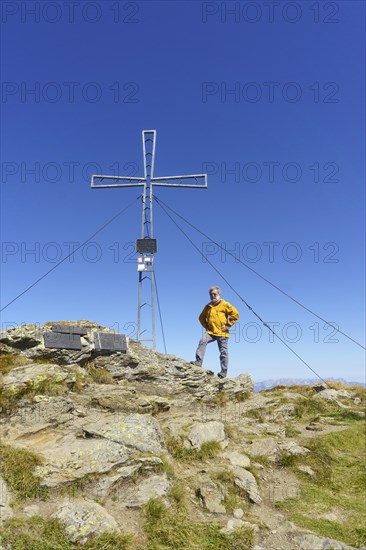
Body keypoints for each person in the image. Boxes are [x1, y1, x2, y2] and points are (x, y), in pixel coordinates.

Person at [191, 286, 239, 378]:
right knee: (202, 340)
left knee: (223, 352)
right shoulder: (208, 307)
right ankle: (198, 362)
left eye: (214, 294)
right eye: (211, 294)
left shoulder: (225, 304)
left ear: (219, 294)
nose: (213, 296)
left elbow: (235, 314)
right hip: (211, 332)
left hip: (222, 333)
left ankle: (223, 372)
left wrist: (228, 325)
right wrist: (206, 326)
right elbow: (201, 318)